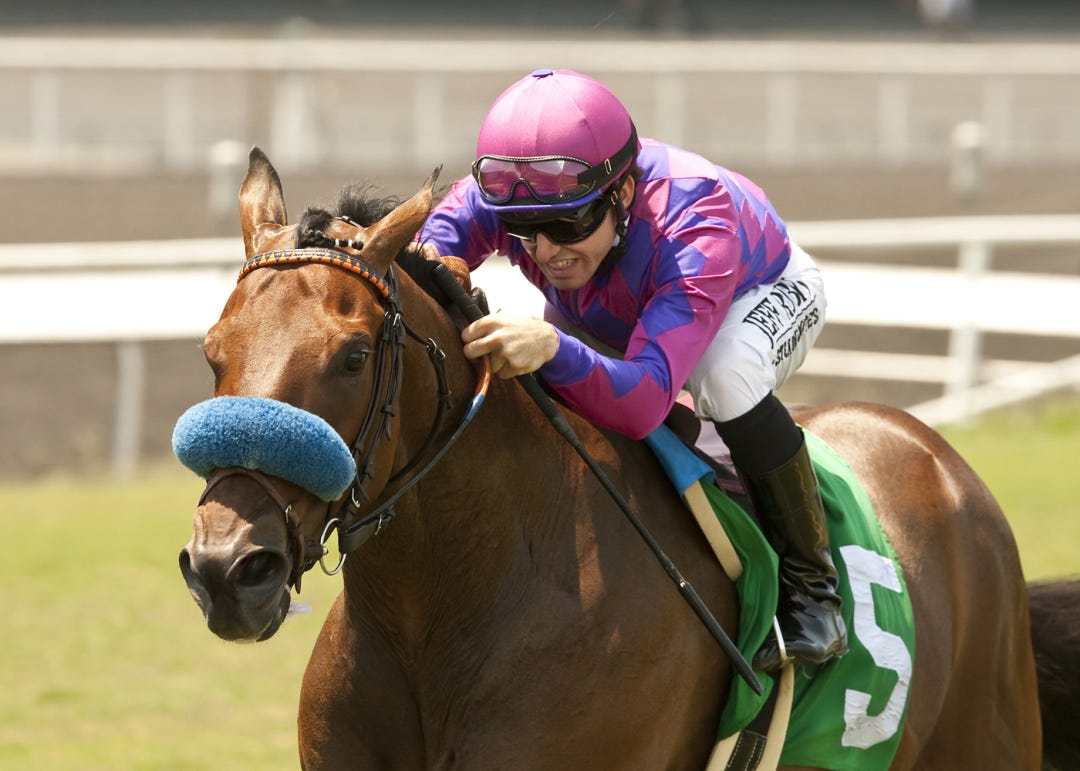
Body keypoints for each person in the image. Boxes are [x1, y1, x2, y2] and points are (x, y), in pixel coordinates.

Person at [417, 68, 846, 673]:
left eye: (567, 225)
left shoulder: (696, 224)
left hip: (755, 291)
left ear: (621, 193)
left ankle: (813, 590)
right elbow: (423, 264)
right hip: (611, 303)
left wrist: (554, 349)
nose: (546, 251)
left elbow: (645, 401)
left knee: (723, 375)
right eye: (523, 231)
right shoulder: (511, 190)